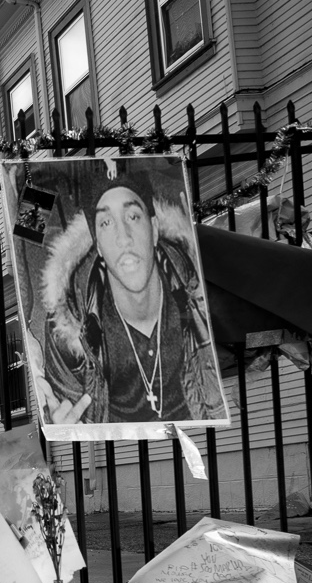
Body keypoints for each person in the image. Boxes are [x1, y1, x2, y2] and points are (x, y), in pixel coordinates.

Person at [36, 168, 223, 424]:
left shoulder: (198, 294)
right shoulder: (69, 319)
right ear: (97, 245)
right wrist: (66, 427)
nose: (123, 238)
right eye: (106, 223)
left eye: (133, 216)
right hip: (120, 453)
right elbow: (68, 412)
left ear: (154, 228)